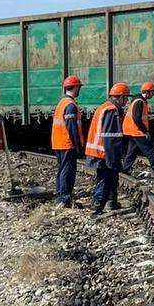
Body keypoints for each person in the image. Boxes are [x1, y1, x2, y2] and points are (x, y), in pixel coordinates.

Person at [85, 82, 129, 215]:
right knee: (106, 178)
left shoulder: (105, 107)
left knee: (112, 177)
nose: (126, 101)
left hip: (101, 151)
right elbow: (110, 136)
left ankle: (112, 202)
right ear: (119, 97)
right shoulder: (111, 110)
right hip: (103, 152)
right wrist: (112, 159)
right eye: (125, 98)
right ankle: (97, 207)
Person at [51, 75, 85, 207]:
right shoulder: (70, 105)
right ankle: (64, 198)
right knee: (67, 170)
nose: (79, 90)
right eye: (79, 87)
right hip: (66, 142)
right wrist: (77, 145)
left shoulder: (61, 102)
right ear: (75, 87)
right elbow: (71, 127)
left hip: (59, 142)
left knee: (62, 169)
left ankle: (60, 195)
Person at [121, 81, 154, 174]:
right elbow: (136, 118)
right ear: (147, 92)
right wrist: (145, 131)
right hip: (136, 131)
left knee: (132, 152)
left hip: (131, 130)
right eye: (152, 92)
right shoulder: (139, 102)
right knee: (149, 149)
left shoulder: (138, 101)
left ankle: (124, 170)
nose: (153, 94)